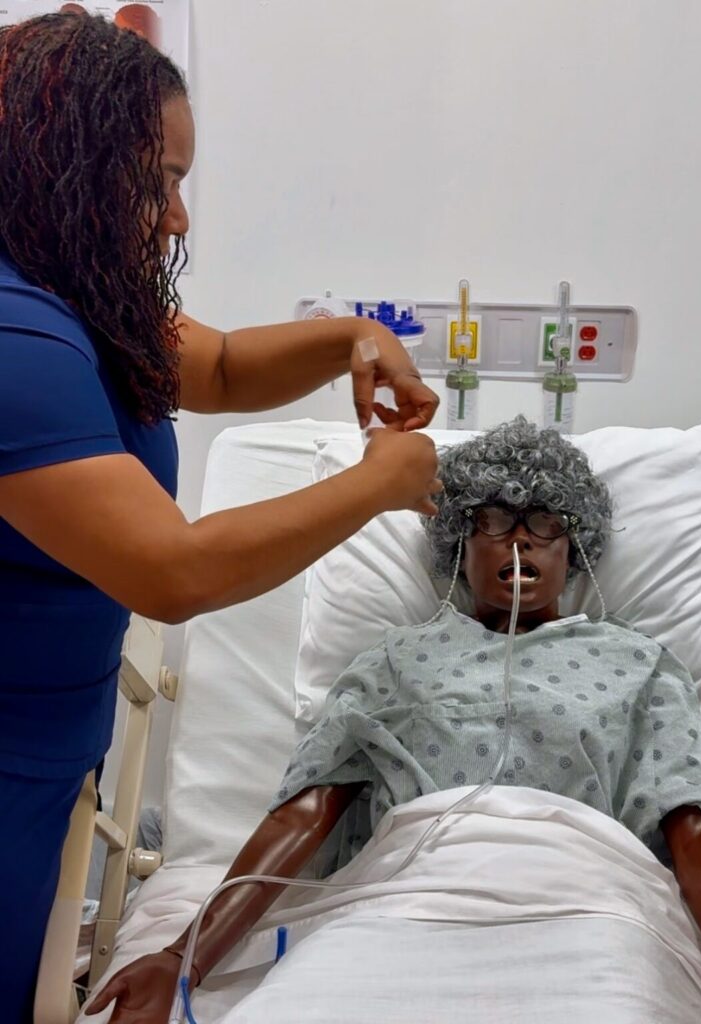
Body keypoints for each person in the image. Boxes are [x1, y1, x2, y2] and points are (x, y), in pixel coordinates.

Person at [0, 12, 440, 1020]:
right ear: (63, 160)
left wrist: (356, 337)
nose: (177, 219)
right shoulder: (13, 334)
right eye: (157, 181)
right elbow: (173, 571)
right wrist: (384, 480)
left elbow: (225, 366)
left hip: (53, 744)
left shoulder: (76, 287)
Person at [87, 419, 701, 1024]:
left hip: (584, 900)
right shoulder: (396, 660)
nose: (519, 542)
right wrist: (181, 957)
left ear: (574, 548)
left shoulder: (639, 663)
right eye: (493, 521)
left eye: (543, 525)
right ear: (458, 541)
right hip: (400, 900)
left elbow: (694, 826)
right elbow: (307, 810)